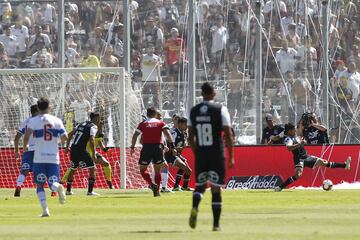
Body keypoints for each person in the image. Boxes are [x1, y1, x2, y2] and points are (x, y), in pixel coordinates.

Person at [188, 82, 234, 231]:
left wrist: (197, 153)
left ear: (202, 94)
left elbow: (190, 137)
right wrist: (231, 155)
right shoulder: (220, 109)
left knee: (200, 186)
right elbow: (228, 134)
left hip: (201, 152)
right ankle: (216, 225)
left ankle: (195, 207)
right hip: (216, 153)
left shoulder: (194, 111)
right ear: (213, 93)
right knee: (216, 188)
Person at [22, 97, 68, 217]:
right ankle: (57, 186)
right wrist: (56, 141)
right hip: (54, 157)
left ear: (38, 108)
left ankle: (45, 210)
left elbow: (26, 135)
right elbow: (65, 138)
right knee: (52, 182)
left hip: (39, 157)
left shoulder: (34, 121)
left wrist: (25, 146)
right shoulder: (57, 120)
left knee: (40, 184)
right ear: (49, 107)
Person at [275, 123, 351, 192]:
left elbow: (301, 141)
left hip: (306, 157)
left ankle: (345, 165)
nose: (295, 130)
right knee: (297, 175)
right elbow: (289, 148)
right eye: (294, 129)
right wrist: (300, 144)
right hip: (299, 159)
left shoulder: (297, 137)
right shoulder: (288, 139)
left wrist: (303, 142)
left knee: (323, 162)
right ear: (289, 131)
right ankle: (280, 187)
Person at [130, 107, 176, 197]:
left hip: (146, 147)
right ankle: (157, 190)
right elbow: (168, 134)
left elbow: (135, 136)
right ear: (155, 114)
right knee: (157, 170)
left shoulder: (143, 124)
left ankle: (152, 184)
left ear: (147, 114)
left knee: (143, 170)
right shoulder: (161, 123)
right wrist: (172, 147)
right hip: (158, 147)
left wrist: (132, 147)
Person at [63, 112, 100, 196]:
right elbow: (91, 139)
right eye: (99, 118)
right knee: (93, 168)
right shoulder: (93, 127)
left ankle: (68, 190)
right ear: (97, 118)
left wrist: (66, 147)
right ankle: (90, 191)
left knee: (73, 169)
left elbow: (69, 134)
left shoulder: (81, 124)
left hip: (73, 148)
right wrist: (94, 154)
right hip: (81, 149)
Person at [13, 105, 39, 197]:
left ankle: (19, 186)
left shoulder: (25, 122)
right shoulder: (43, 121)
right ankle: (45, 190)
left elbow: (16, 139)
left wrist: (16, 151)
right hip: (40, 150)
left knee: (24, 171)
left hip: (27, 149)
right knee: (41, 170)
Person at [166, 117, 192, 191]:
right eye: (185, 124)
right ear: (180, 124)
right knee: (183, 166)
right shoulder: (174, 132)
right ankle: (176, 187)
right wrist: (177, 149)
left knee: (189, 171)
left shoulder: (184, 134)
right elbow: (168, 146)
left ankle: (184, 187)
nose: (187, 126)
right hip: (170, 154)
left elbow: (183, 146)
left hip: (177, 155)